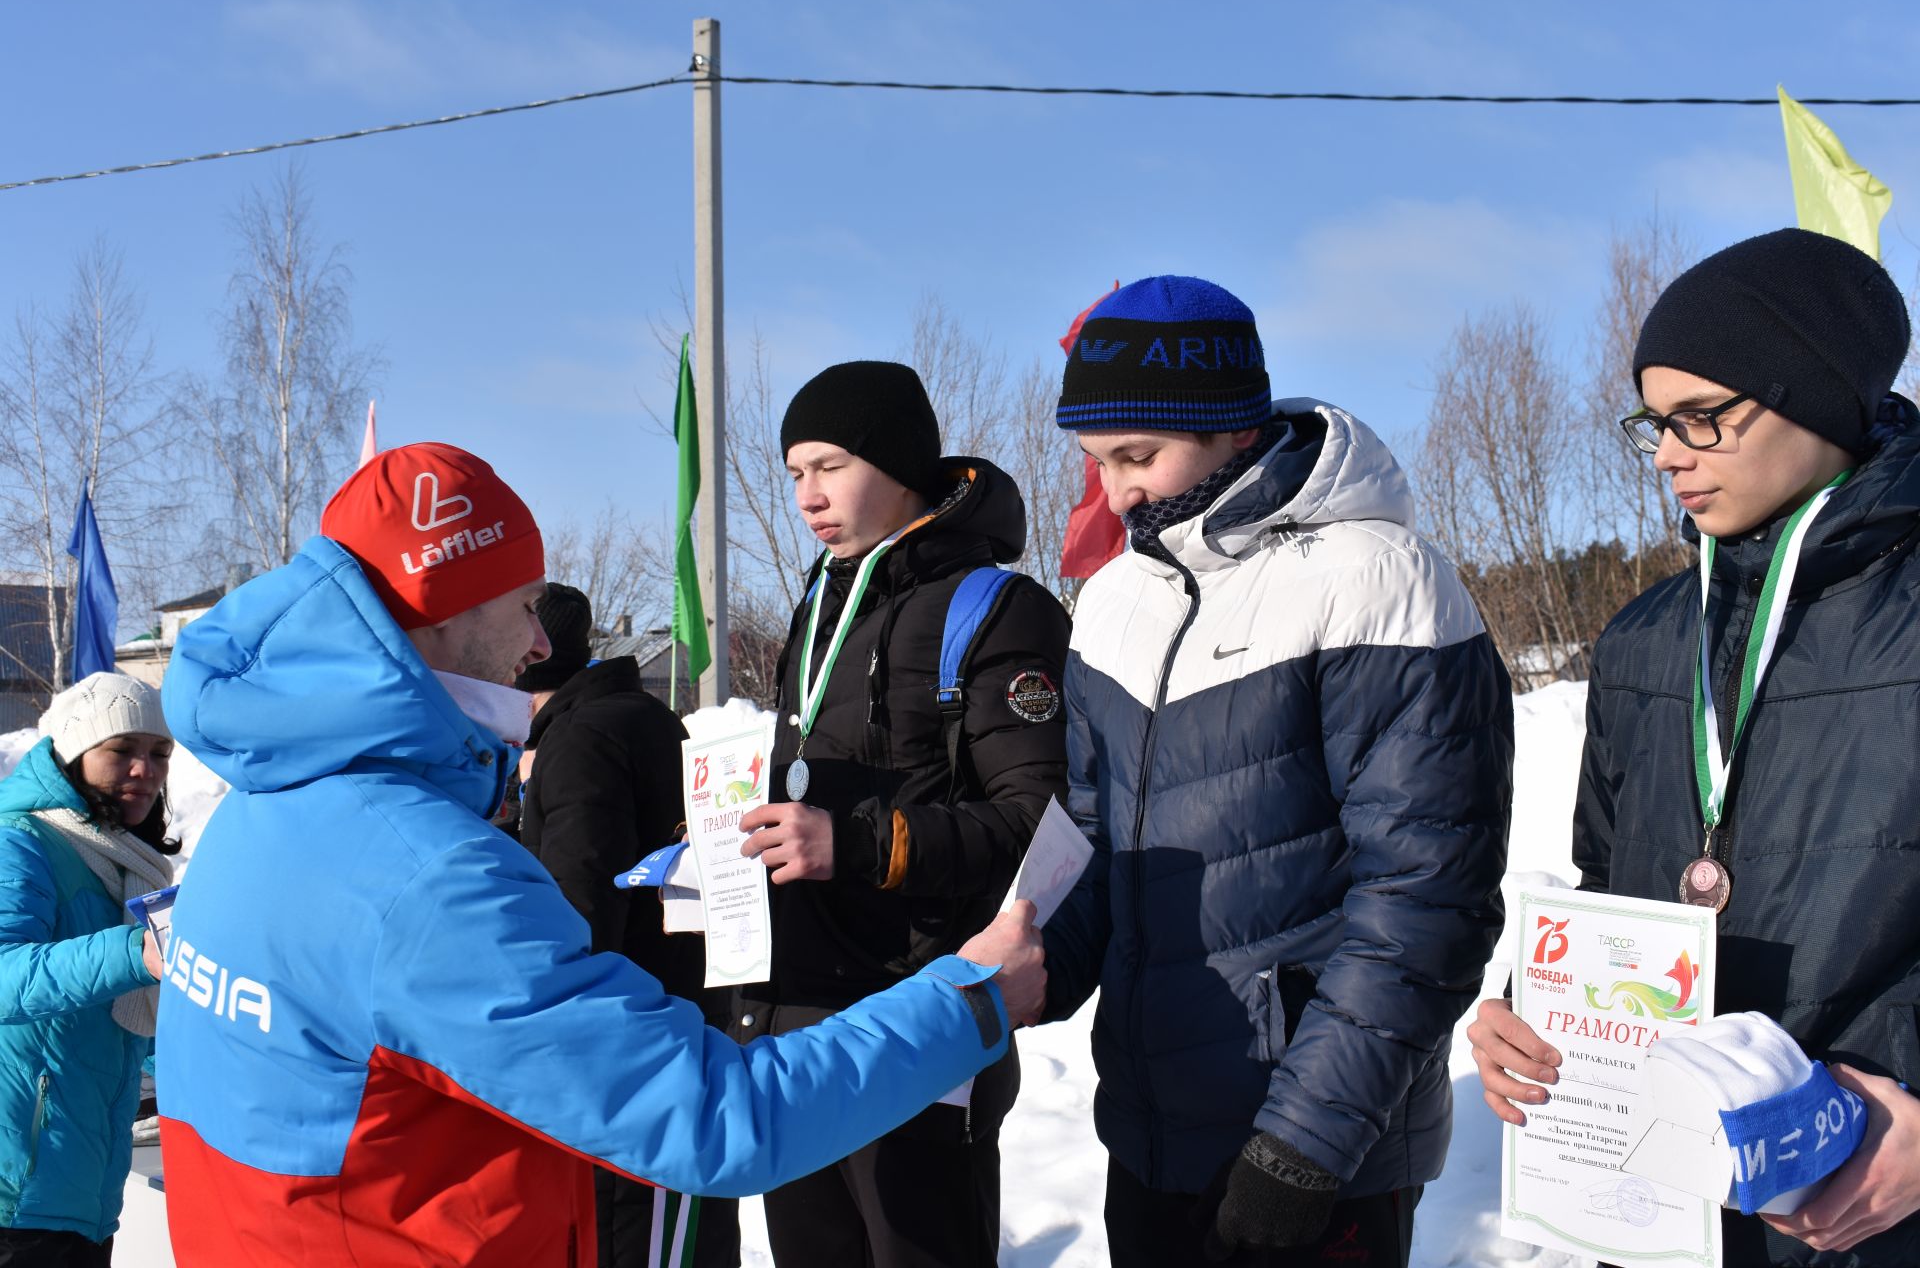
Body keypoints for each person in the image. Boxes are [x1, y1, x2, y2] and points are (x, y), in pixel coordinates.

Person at [154, 441, 1046, 1268]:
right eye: (522, 608)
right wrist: (968, 1003)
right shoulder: (427, 880)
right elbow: (716, 1122)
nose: (541, 645)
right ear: (436, 619)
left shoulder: (261, 809)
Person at [1039, 276, 1514, 1267]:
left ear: (1233, 428)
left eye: (1138, 454)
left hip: (1318, 1142)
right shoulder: (1114, 601)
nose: (1116, 490)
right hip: (1151, 1128)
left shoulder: (1374, 578)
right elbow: (1090, 840)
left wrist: (1305, 1140)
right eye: (1095, 460)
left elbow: (1429, 892)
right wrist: (1016, 971)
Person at [1468, 228, 1920, 1266]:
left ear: (1811, 395)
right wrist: (1533, 1016)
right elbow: (1607, 895)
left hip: (1871, 1220)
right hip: (1663, 1217)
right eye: (1655, 424)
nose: (1668, 454)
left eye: (1702, 418)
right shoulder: (1647, 638)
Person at [734, 360, 1071, 1267]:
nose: (808, 495)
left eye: (831, 465)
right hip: (796, 1024)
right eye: (795, 471)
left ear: (899, 462)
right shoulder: (816, 604)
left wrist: (853, 845)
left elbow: (1033, 827)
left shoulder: (996, 609)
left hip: (922, 1022)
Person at [514, 582, 740, 1268]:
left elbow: (579, 914)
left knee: (637, 1239)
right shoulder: (636, 715)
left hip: (632, 1068)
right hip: (683, 1033)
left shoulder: (581, 742)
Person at [0, 674, 176, 1266]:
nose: (144, 770)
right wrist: (136, 954)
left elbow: (119, 1018)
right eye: (121, 750)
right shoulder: (19, 842)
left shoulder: (127, 860)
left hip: (86, 1181)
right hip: (18, 1185)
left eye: (158, 753)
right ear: (72, 755)